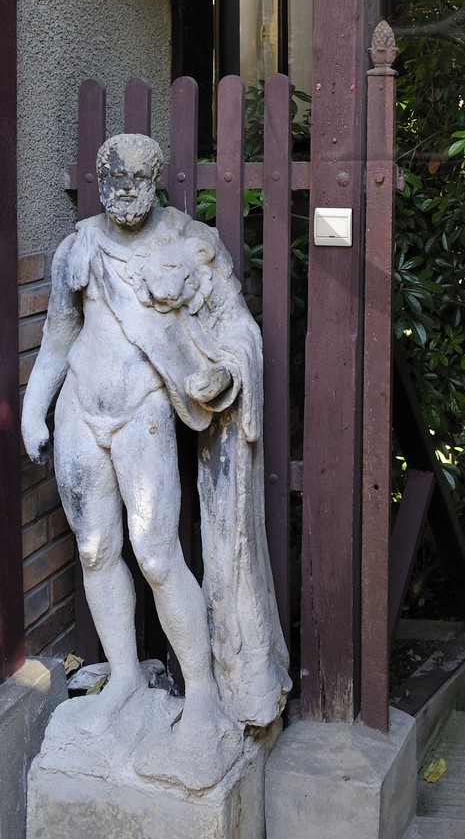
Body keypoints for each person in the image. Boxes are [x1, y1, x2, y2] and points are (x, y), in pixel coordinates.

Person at [21, 133, 289, 792]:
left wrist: (225, 372)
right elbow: (59, 336)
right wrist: (34, 407)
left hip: (143, 409)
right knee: (94, 550)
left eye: (137, 185)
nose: (124, 198)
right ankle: (125, 678)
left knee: (158, 552)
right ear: (101, 184)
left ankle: (201, 693)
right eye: (113, 187)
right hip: (81, 408)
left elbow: (236, 326)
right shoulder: (78, 246)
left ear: (157, 182)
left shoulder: (189, 244)